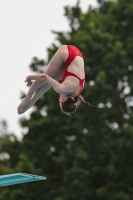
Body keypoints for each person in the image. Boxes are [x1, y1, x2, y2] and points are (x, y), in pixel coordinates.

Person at [17, 45, 90, 116]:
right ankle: (26, 101)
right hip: (68, 52)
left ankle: (30, 103)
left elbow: (46, 86)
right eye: (59, 102)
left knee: (54, 79)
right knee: (49, 74)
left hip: (78, 55)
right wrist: (30, 77)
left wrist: (32, 102)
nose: (59, 100)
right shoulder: (62, 89)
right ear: (64, 100)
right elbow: (44, 77)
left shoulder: (77, 92)